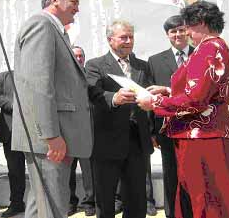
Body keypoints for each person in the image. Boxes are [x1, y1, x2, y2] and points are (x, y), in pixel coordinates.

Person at [137, 1, 229, 218]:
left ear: (201, 23)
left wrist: (154, 103)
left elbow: (196, 99)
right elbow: (206, 90)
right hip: (209, 133)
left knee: (204, 199)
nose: (188, 34)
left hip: (201, 136)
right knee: (213, 196)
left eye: (189, 28)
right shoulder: (217, 46)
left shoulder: (207, 49)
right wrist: (168, 90)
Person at [12, 0, 93, 218]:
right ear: (54, 0)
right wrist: (51, 136)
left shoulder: (55, 30)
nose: (78, 8)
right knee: (53, 206)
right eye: (74, 2)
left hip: (54, 136)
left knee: (41, 204)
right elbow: (38, 85)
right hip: (49, 138)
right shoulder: (41, 25)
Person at [86, 20, 154, 218]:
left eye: (131, 37)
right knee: (106, 199)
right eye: (123, 37)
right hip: (107, 141)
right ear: (110, 39)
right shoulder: (95, 65)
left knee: (137, 198)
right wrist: (113, 98)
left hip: (137, 141)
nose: (128, 41)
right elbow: (91, 93)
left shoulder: (142, 66)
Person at [147, 15, 194, 218]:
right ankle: (172, 213)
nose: (178, 34)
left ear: (189, 32)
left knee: (194, 175)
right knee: (171, 174)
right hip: (166, 129)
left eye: (182, 30)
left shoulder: (200, 55)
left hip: (195, 128)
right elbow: (150, 100)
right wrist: (152, 131)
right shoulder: (155, 61)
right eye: (173, 31)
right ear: (167, 35)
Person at [0, 70, 26, 217]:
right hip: (10, 130)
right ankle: (17, 203)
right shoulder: (2, 77)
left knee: (41, 170)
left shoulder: (36, 72)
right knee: (15, 170)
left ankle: (42, 203)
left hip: (34, 129)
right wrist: (14, 106)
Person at [68, 46, 95, 217]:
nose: (78, 59)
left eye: (81, 56)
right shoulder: (61, 77)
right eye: (75, 56)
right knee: (67, 171)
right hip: (68, 132)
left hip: (87, 131)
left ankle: (89, 202)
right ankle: (70, 202)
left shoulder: (91, 76)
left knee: (89, 171)